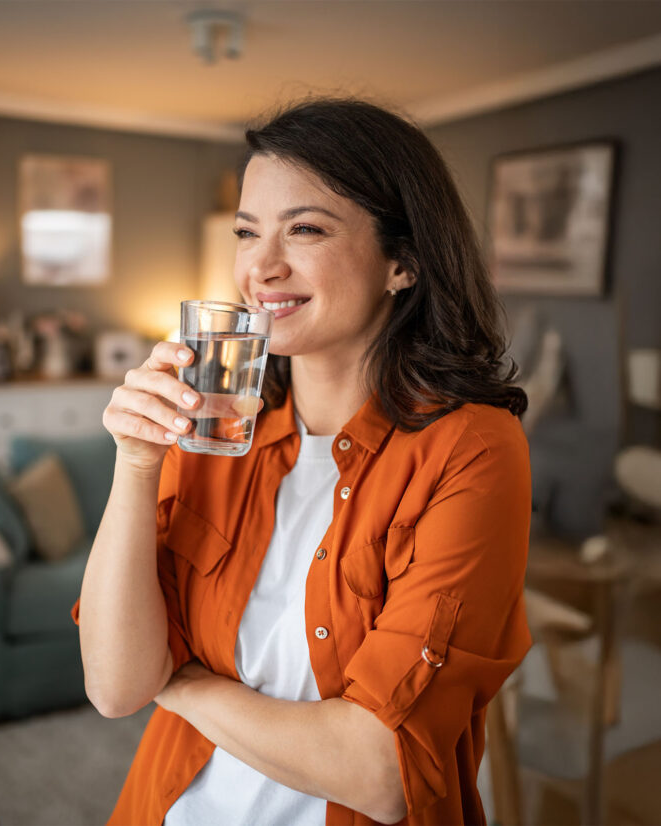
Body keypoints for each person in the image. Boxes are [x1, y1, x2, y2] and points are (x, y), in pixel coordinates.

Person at [72, 97, 532, 826]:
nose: (261, 267)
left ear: (402, 263)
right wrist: (135, 463)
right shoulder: (218, 426)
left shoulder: (469, 449)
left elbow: (380, 771)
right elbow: (116, 685)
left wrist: (184, 685)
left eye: (306, 229)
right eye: (247, 232)